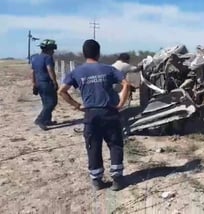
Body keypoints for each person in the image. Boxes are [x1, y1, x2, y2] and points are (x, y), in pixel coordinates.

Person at [58, 39, 130, 191]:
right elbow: (126, 84)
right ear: (99, 53)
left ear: (84, 53)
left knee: (93, 146)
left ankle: (97, 179)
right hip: (109, 112)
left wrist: (78, 106)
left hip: (91, 115)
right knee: (115, 144)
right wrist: (121, 103)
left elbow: (62, 91)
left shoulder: (77, 72)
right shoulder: (108, 69)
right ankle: (117, 179)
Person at [31, 39, 59, 130]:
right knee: (52, 102)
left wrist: (34, 84)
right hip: (46, 83)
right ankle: (40, 120)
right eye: (52, 49)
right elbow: (50, 69)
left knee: (45, 103)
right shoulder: (48, 58)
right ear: (48, 49)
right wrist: (54, 81)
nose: (53, 51)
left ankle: (47, 120)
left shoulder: (35, 58)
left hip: (39, 83)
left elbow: (33, 72)